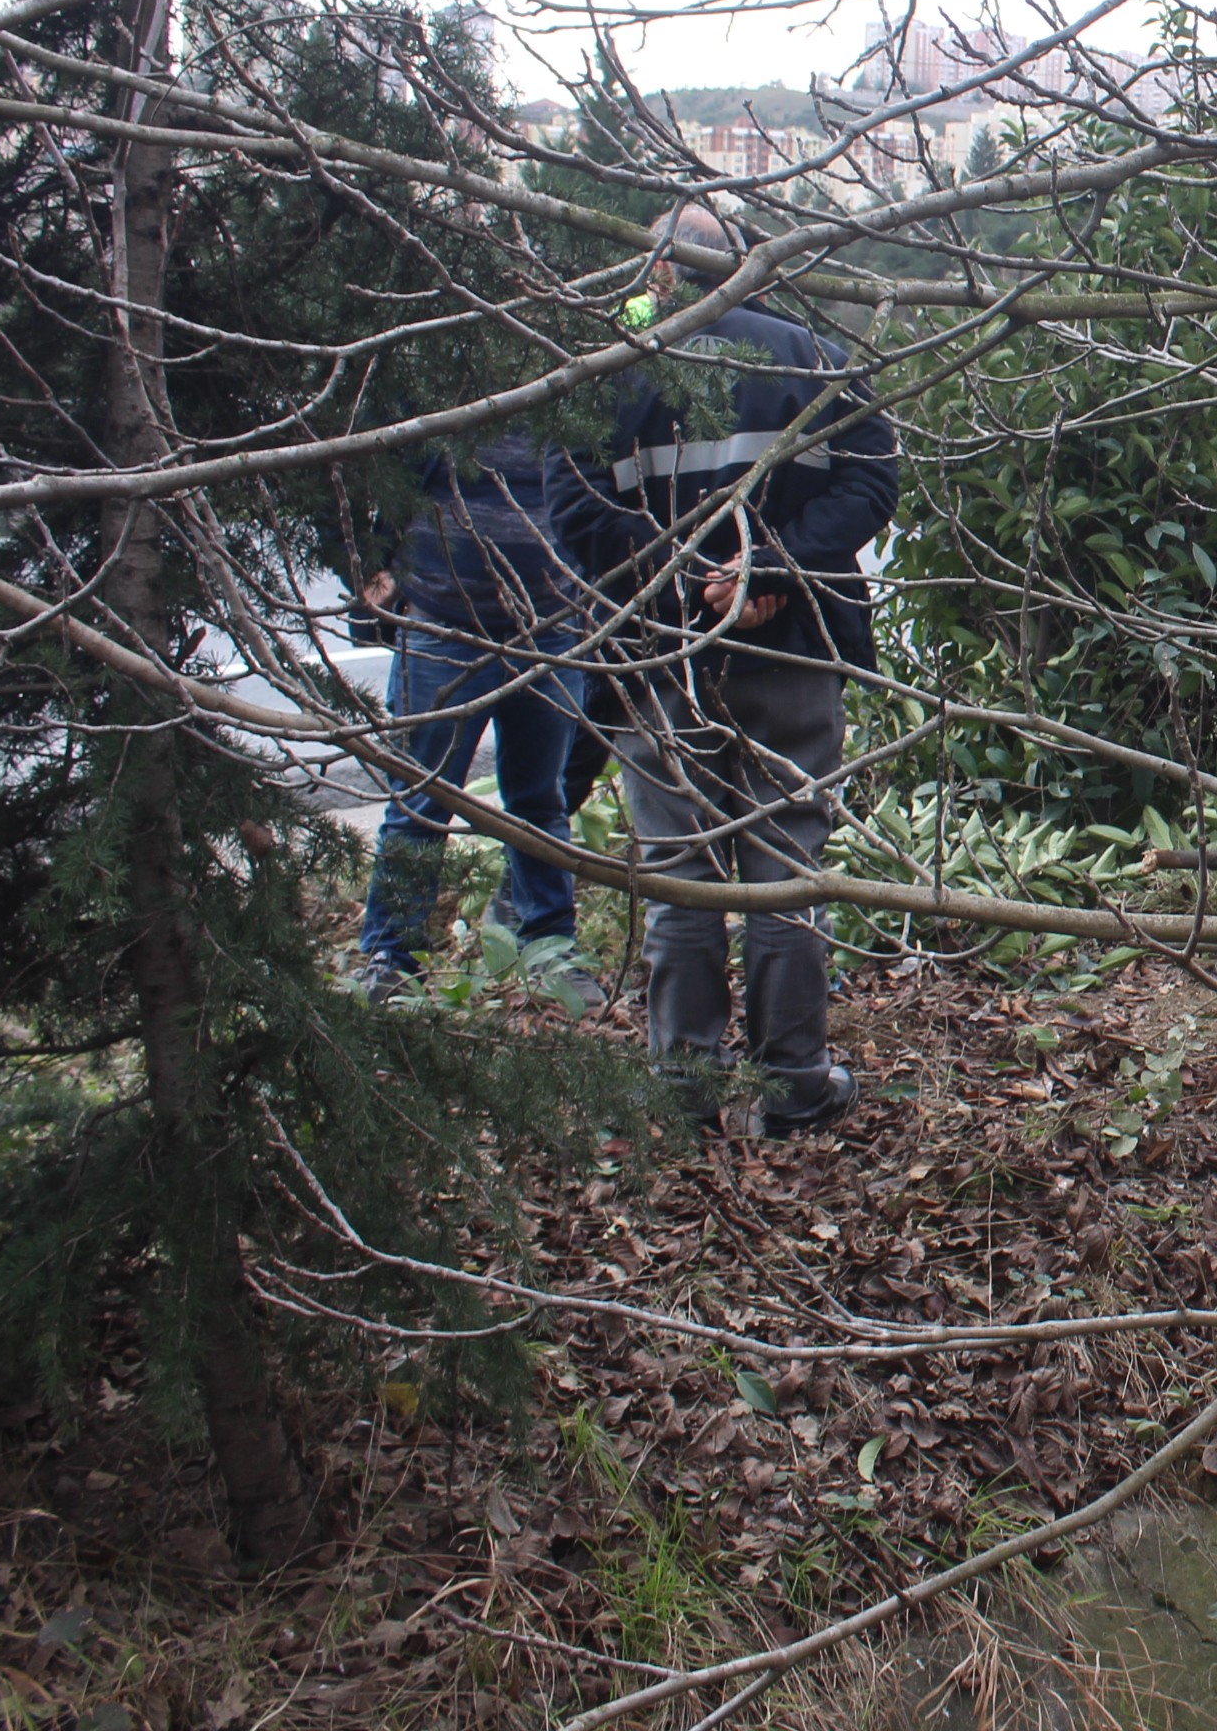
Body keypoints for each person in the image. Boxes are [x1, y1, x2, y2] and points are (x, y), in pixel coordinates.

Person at [548, 205, 898, 1138]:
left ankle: (684, 1093)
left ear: (659, 271)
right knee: (787, 862)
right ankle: (793, 1088)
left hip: (658, 656)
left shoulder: (610, 369)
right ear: (748, 263)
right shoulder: (813, 357)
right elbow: (873, 481)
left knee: (682, 871)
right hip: (792, 647)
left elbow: (571, 505)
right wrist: (772, 568)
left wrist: (688, 585)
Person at [346, 430, 603, 1012]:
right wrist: (370, 569)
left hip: (549, 635)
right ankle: (391, 958)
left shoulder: (577, 394)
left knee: (542, 804)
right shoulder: (450, 381)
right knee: (418, 803)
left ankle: (552, 951)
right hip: (441, 631)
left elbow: (596, 495)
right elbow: (386, 483)